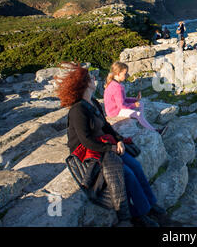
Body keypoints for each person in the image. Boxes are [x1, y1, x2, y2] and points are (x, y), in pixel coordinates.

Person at [55, 63, 166, 227]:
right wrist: (111, 148)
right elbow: (85, 140)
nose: (94, 78)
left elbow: (105, 125)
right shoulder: (78, 110)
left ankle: (150, 203)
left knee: (135, 165)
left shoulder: (92, 102)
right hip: (88, 153)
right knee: (126, 174)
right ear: (84, 84)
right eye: (90, 77)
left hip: (103, 144)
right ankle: (139, 214)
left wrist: (118, 139)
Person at [103, 62, 168, 136]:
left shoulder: (114, 83)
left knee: (141, 103)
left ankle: (142, 121)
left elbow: (122, 99)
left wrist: (135, 100)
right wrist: (134, 105)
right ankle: (155, 131)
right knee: (138, 114)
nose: (127, 75)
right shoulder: (117, 87)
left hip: (115, 109)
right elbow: (122, 105)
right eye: (125, 73)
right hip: (114, 112)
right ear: (118, 74)